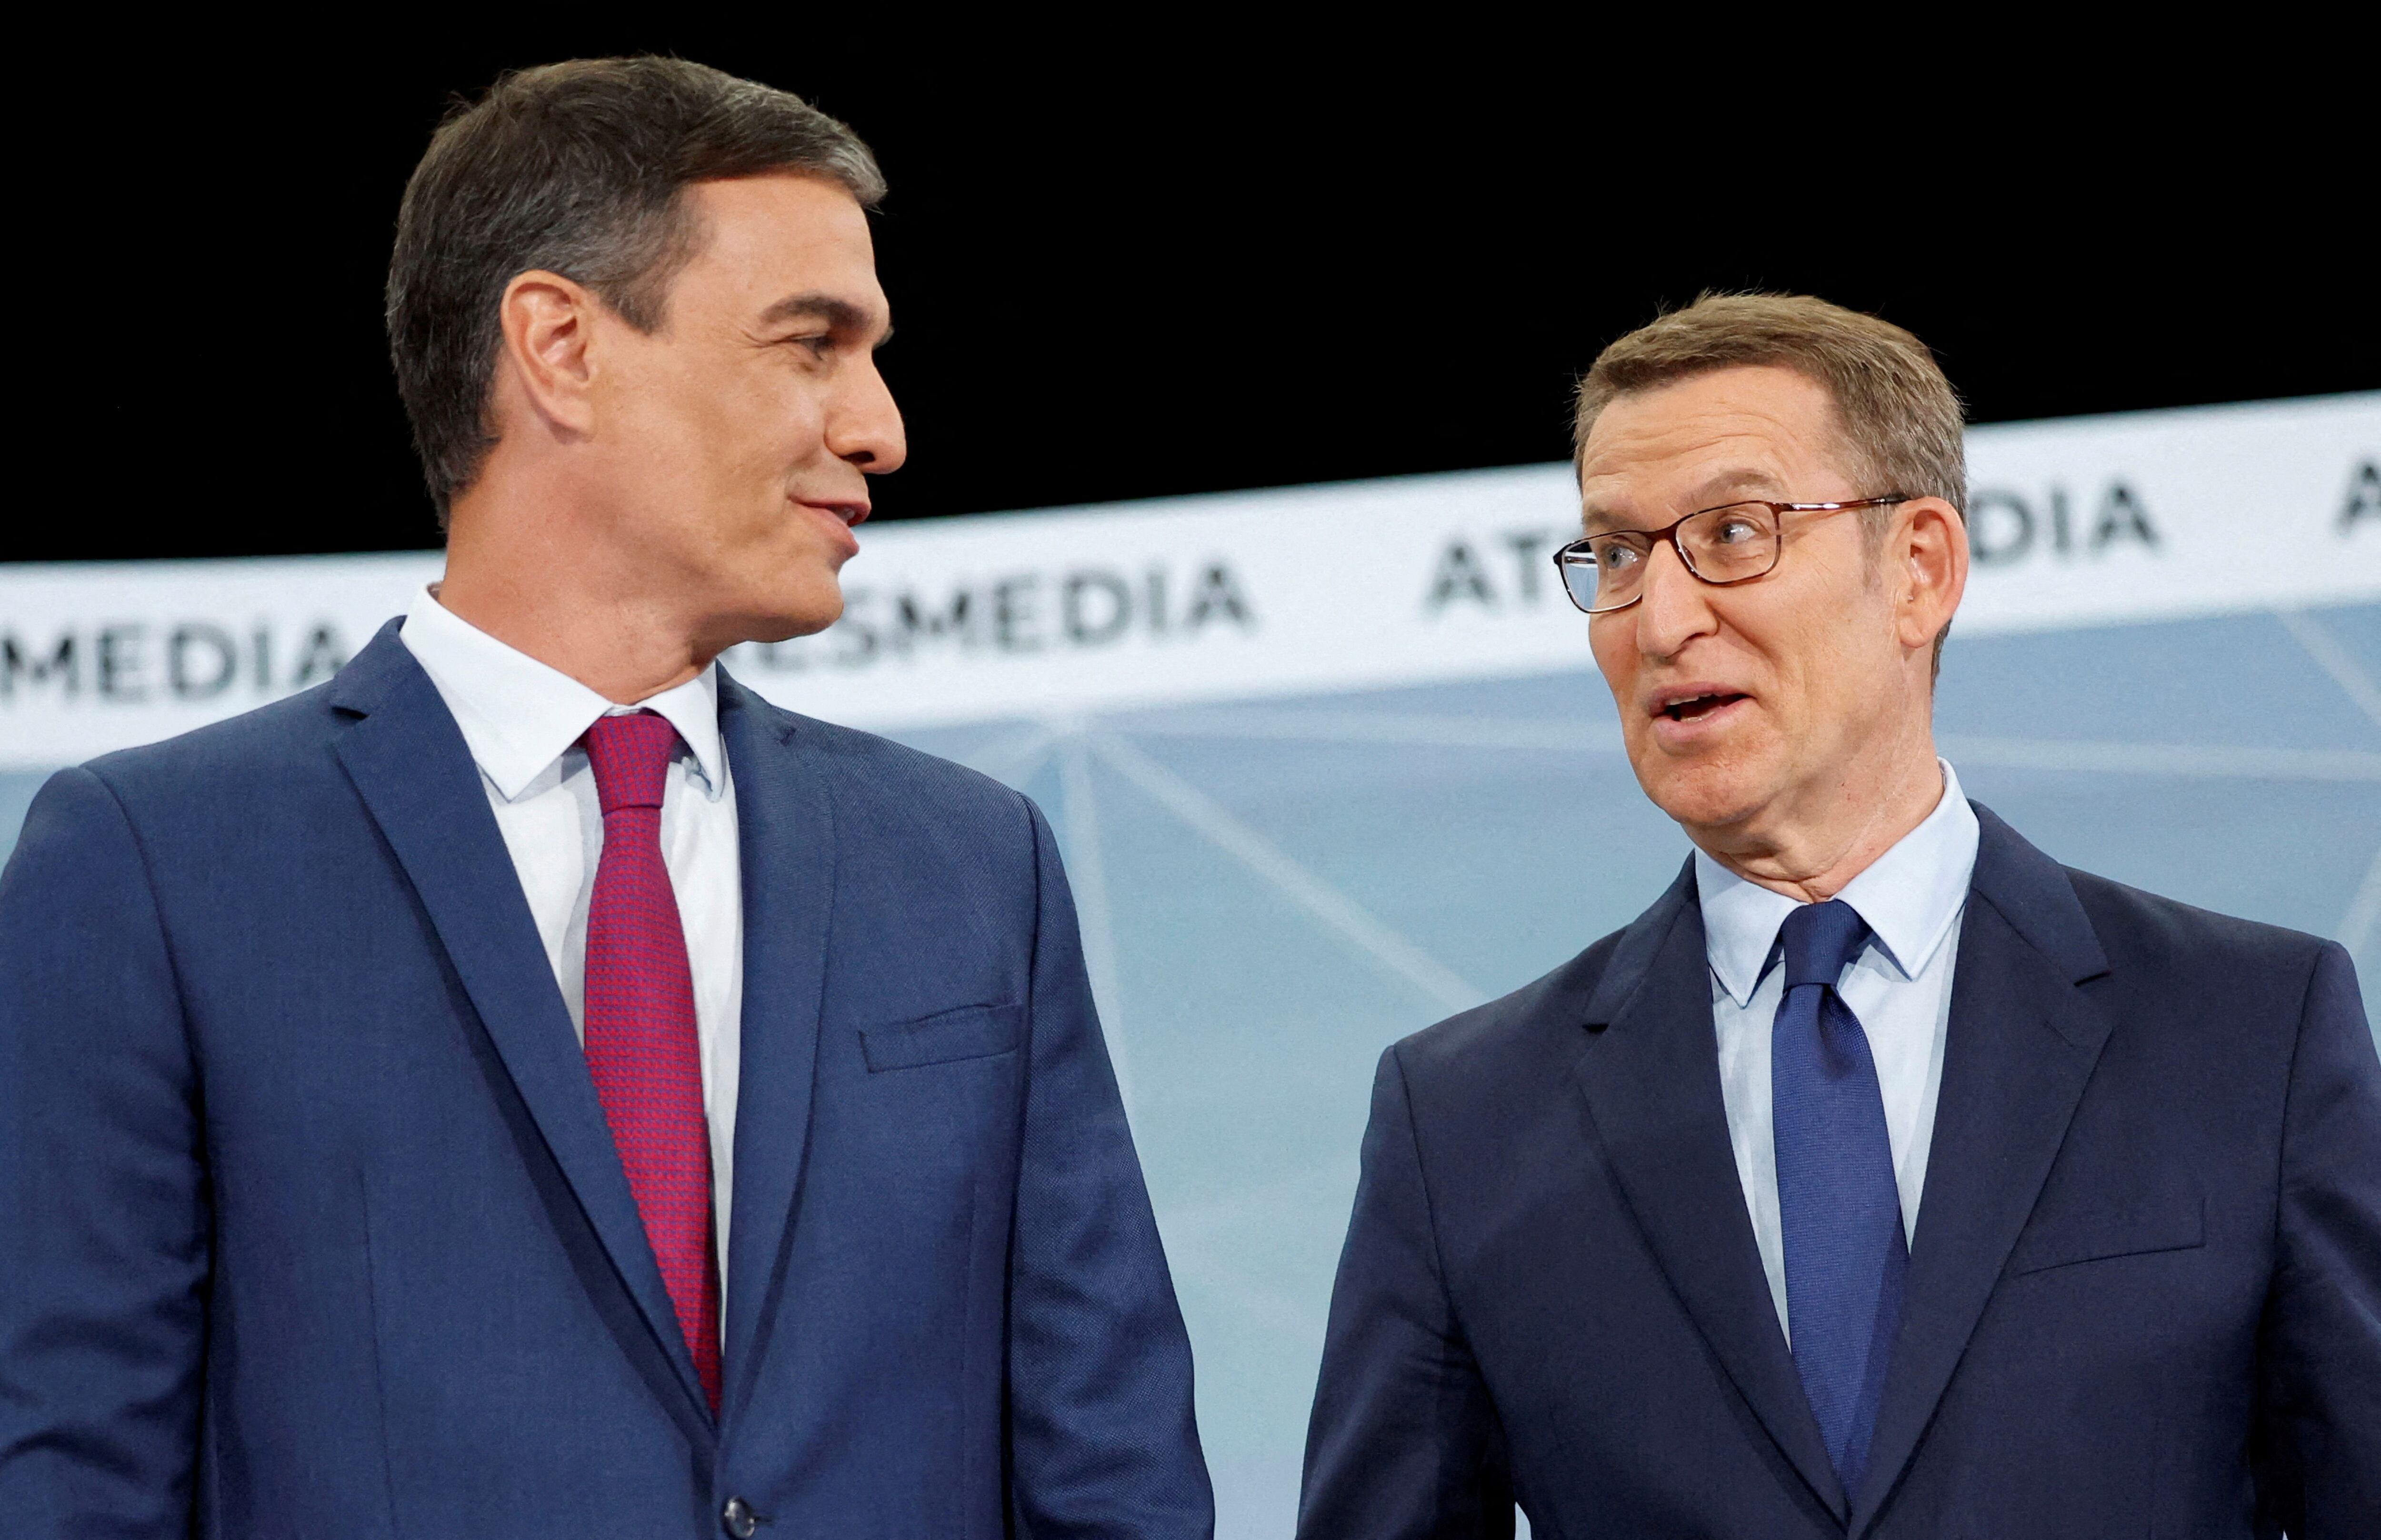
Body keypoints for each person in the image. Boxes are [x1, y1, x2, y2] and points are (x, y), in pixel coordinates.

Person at [0, 57, 1211, 1538]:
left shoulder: (974, 868)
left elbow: (1117, 1478)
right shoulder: (151, 868)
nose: (881, 426)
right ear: (561, 345)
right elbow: (67, 1485)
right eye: (813, 344)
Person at [1299, 294, 2380, 1537]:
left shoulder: (2252, 1034)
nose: (1661, 618)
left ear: (1919, 567)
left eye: (1735, 532)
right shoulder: (1464, 1126)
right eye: (1624, 553)